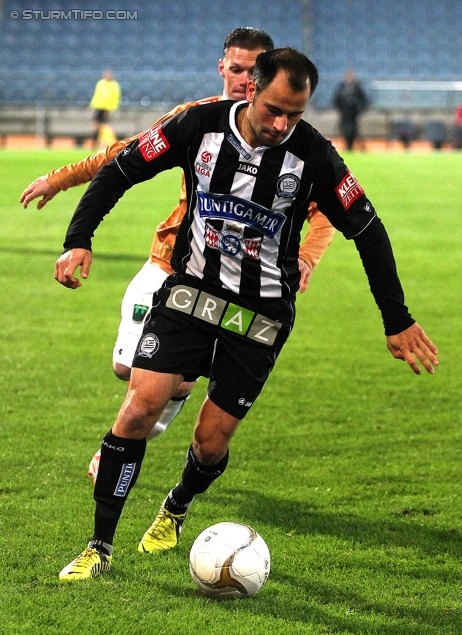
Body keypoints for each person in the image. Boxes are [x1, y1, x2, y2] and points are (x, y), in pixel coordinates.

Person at [54, 47, 438, 581]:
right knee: (140, 409)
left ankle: (178, 504)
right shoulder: (197, 125)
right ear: (251, 88)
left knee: (210, 443)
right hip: (191, 295)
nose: (282, 124)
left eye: (296, 114)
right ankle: (99, 546)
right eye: (274, 109)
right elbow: (121, 169)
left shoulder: (315, 156)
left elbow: (368, 230)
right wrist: (79, 240)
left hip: (260, 317)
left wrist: (395, 317)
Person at [20, 28, 336, 483]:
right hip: (170, 259)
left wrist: (307, 255)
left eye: (254, 71)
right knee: (124, 366)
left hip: (236, 282)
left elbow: (324, 207)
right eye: (237, 68)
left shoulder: (291, 143)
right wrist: (62, 179)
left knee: (175, 378)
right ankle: (157, 405)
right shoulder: (197, 119)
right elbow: (123, 156)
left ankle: (122, 445)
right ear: (222, 68)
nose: (245, 79)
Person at [333, 69, 368, 151]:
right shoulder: (341, 86)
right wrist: (340, 108)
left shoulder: (357, 86)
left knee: (353, 129)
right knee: (344, 129)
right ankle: (347, 144)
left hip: (354, 113)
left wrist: (359, 108)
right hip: (344, 112)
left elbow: (364, 99)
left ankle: (351, 145)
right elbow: (336, 99)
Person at [89, 70, 121, 146]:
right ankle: (95, 141)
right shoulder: (100, 83)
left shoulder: (115, 85)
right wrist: (92, 105)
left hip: (107, 108)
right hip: (98, 107)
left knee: (104, 126)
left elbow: (115, 98)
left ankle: (103, 142)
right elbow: (97, 95)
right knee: (96, 125)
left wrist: (110, 109)